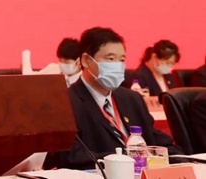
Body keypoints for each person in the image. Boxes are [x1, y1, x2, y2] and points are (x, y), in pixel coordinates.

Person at [49, 27, 183, 170]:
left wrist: (181, 157)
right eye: (110, 59)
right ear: (86, 60)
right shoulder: (66, 103)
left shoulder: (132, 99)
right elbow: (71, 157)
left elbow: (156, 140)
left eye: (122, 60)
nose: (117, 65)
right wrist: (128, 158)